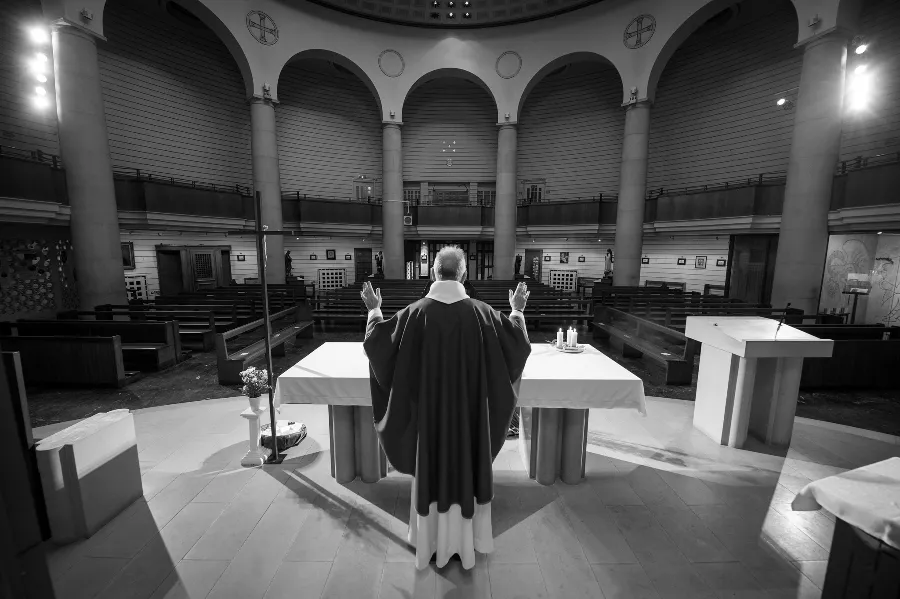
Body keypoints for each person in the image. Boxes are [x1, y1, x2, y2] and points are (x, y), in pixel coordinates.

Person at [361, 245, 531, 570]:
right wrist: (517, 311)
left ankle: (429, 542)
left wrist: (374, 311)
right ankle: (469, 542)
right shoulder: (483, 314)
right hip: (468, 425)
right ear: (464, 275)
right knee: (467, 460)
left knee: (430, 462)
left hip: (430, 426)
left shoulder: (414, 314)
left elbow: (380, 348)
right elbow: (516, 348)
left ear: (433, 273)